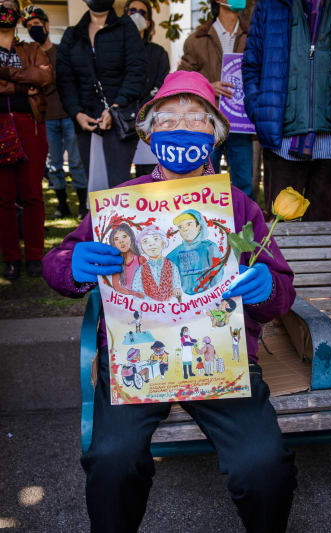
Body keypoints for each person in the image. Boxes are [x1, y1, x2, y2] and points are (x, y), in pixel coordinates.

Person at [43, 70, 297, 533]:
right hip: (135, 361)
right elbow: (57, 262)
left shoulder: (239, 206)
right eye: (169, 117)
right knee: (111, 460)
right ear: (149, 133)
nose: (182, 125)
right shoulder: (118, 203)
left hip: (222, 359)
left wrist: (267, 287)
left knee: (264, 465)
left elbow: (280, 290)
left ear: (216, 136)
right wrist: (72, 265)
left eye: (197, 118)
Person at [242, 0, 331, 221]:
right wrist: (261, 111)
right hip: (282, 141)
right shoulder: (269, 6)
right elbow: (251, 64)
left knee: (324, 235)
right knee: (280, 233)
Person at [56, 0, 146, 188]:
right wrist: (77, 113)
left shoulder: (126, 28)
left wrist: (116, 107)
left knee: (117, 186)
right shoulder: (72, 35)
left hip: (119, 118)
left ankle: (121, 219)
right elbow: (65, 80)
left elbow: (136, 71)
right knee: (95, 188)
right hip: (85, 120)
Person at [179, 0, 254, 198]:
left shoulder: (254, 36)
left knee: (244, 185)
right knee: (205, 184)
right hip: (207, 124)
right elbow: (183, 80)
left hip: (241, 123)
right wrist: (208, 87)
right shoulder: (197, 39)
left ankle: (243, 226)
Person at [0, 0, 52, 281]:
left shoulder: (31, 49)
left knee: (32, 194)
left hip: (29, 127)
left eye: (9, 4)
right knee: (3, 198)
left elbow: (44, 76)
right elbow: (31, 80)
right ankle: (10, 259)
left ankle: (34, 256)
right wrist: (24, 85)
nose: (4, 8)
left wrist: (6, 76)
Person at [21, 5, 88, 220]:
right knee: (54, 163)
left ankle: (81, 205)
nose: (34, 29)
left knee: (76, 162)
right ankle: (62, 205)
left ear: (47, 25)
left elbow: (68, 80)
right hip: (45, 117)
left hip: (68, 115)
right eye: (30, 27)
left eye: (37, 25)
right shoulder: (28, 56)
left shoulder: (61, 52)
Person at [124, 0, 170, 177]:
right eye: (132, 10)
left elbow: (161, 89)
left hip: (147, 123)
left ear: (149, 22)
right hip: (117, 123)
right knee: (117, 180)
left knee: (148, 179)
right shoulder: (112, 52)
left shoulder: (158, 54)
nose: (137, 15)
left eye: (142, 13)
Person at [167, 209, 223, 295]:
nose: (185, 229)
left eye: (189, 224)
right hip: (186, 300)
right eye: (180, 227)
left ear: (199, 226)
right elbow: (165, 269)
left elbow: (217, 273)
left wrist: (212, 294)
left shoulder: (209, 247)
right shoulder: (177, 252)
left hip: (208, 296)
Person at [131, 226, 182, 301]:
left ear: (163, 242)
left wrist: (177, 291)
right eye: (145, 241)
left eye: (156, 239)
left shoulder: (172, 266)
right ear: (141, 248)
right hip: (149, 307)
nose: (151, 244)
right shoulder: (140, 271)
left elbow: (176, 286)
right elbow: (136, 292)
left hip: (169, 306)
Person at [109, 222, 145, 298]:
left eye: (124, 236)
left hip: (144, 301)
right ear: (114, 244)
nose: (121, 241)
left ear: (131, 238)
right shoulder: (116, 264)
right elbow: (116, 286)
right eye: (116, 239)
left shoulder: (140, 260)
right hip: (125, 302)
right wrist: (133, 293)